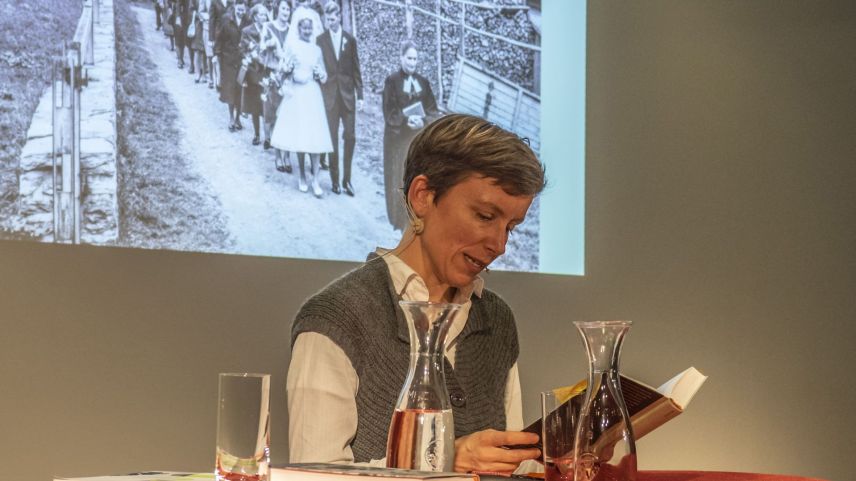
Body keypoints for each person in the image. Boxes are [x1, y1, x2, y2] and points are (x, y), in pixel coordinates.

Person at [287, 113, 545, 473]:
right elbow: (312, 478)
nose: (499, 245)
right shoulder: (338, 316)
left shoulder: (497, 320)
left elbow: (509, 466)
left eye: (511, 228)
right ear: (422, 196)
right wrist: (443, 461)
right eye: (485, 216)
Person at [269, 9, 331, 197]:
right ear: (299, 29)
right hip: (297, 94)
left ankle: (316, 179)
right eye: (304, 28)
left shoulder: (317, 50)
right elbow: (283, 70)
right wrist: (288, 71)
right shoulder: (292, 46)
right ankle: (302, 176)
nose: (307, 31)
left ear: (313, 29)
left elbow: (324, 75)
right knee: (301, 136)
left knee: (316, 136)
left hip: (313, 93)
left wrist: (321, 75)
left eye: (309, 29)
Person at [382, 40, 439, 230]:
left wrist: (423, 121)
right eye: (409, 58)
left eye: (415, 59)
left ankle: (414, 218)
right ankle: (399, 221)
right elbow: (389, 112)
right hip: (397, 140)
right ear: (401, 58)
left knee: (417, 179)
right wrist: (406, 120)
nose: (412, 63)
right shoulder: (392, 81)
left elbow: (433, 110)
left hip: (417, 140)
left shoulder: (423, 82)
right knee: (398, 177)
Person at [317, 1, 363, 197]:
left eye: (334, 17)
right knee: (332, 138)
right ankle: (335, 180)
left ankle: (347, 179)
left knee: (350, 136)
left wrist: (360, 95)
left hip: (347, 96)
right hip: (329, 96)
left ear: (339, 17)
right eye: (328, 18)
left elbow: (356, 69)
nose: (331, 20)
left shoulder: (349, 40)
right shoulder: (320, 40)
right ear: (325, 19)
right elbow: (317, 67)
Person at [260, 0, 292, 171]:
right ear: (277, 9)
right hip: (272, 76)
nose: (286, 11)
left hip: (287, 78)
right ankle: (278, 156)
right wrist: (268, 45)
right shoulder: (268, 27)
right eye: (283, 8)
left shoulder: (292, 30)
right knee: (273, 117)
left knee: (286, 117)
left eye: (288, 9)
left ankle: (286, 156)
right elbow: (261, 50)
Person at [240, 3, 270, 145]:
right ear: (255, 17)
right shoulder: (247, 31)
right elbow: (242, 49)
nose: (264, 17)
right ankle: (257, 134)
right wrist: (250, 55)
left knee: (267, 102)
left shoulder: (269, 29)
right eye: (261, 15)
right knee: (254, 104)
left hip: (266, 70)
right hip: (253, 71)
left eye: (265, 14)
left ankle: (268, 136)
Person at [215, 0, 247, 131]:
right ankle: (231, 118)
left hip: (242, 61)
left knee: (240, 89)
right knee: (230, 90)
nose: (240, 12)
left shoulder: (247, 21)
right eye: (238, 9)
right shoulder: (226, 20)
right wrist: (217, 54)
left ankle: (238, 118)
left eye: (242, 10)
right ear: (234, 8)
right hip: (228, 60)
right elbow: (219, 38)